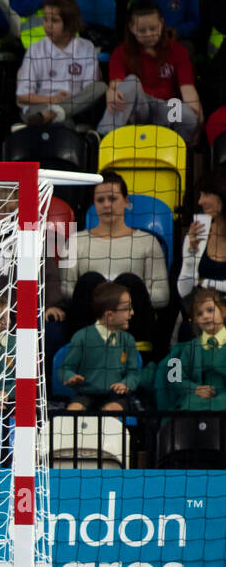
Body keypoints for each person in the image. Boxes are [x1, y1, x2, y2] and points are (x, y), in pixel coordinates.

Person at [61, 171, 169, 354]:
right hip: (89, 322)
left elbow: (162, 296)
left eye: (112, 199)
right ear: (94, 204)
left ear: (126, 202)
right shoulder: (74, 241)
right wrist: (103, 297)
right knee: (89, 280)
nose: (106, 205)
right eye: (100, 200)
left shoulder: (148, 242)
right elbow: (65, 291)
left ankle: (138, 357)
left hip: (132, 323)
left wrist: (120, 299)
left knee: (130, 281)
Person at [98, 0, 202, 144]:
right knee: (131, 82)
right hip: (138, 108)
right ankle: (104, 137)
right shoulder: (121, 52)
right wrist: (112, 92)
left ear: (162, 24)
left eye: (153, 29)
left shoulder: (178, 50)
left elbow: (188, 89)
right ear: (131, 28)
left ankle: (176, 150)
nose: (148, 34)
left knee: (187, 114)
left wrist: (197, 120)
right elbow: (117, 85)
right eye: (142, 31)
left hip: (166, 109)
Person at [14, 0, 105, 128]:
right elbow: (22, 97)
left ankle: (55, 113)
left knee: (101, 87)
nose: (48, 26)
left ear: (70, 23)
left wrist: (64, 102)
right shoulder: (35, 50)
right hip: (39, 108)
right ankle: (55, 114)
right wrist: (51, 99)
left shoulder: (86, 47)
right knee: (63, 122)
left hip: (76, 107)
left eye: (55, 21)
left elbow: (89, 91)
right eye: (45, 19)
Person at [59, 281, 141, 410]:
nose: (132, 313)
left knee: (111, 411)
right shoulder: (82, 337)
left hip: (116, 397)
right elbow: (64, 369)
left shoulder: (128, 340)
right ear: (109, 315)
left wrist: (126, 383)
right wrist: (70, 377)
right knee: (74, 410)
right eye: (127, 308)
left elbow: (134, 373)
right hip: (85, 394)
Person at [159, 287, 226, 410]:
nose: (205, 316)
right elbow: (174, 378)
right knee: (190, 404)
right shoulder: (189, 348)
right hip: (197, 397)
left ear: (223, 311)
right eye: (200, 314)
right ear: (195, 320)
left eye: (210, 310)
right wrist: (194, 389)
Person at [179, 173, 226, 303]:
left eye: (206, 195)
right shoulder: (199, 230)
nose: (200, 202)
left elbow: (198, 284)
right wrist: (191, 253)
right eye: (200, 195)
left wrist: (204, 282)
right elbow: (184, 292)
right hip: (203, 311)